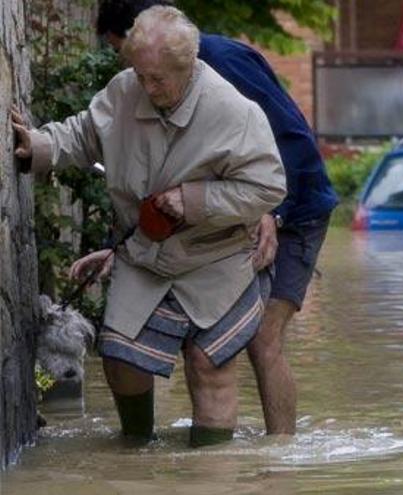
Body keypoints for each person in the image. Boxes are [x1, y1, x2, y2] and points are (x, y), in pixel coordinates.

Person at [11, 6, 287, 447]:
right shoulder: (126, 90)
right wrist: (39, 146)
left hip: (215, 257)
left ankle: (208, 472)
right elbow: (84, 134)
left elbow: (268, 187)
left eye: (158, 79)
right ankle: (136, 450)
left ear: (190, 67)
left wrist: (194, 200)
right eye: (140, 75)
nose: (147, 87)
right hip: (144, 253)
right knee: (120, 360)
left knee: (208, 364)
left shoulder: (235, 112)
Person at [90, 0, 338, 435]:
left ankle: (279, 461)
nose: (124, 64)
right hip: (237, 212)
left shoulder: (218, 64)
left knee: (263, 339)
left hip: (297, 208)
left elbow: (291, 138)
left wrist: (272, 214)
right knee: (214, 345)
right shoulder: (155, 89)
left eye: (121, 48)